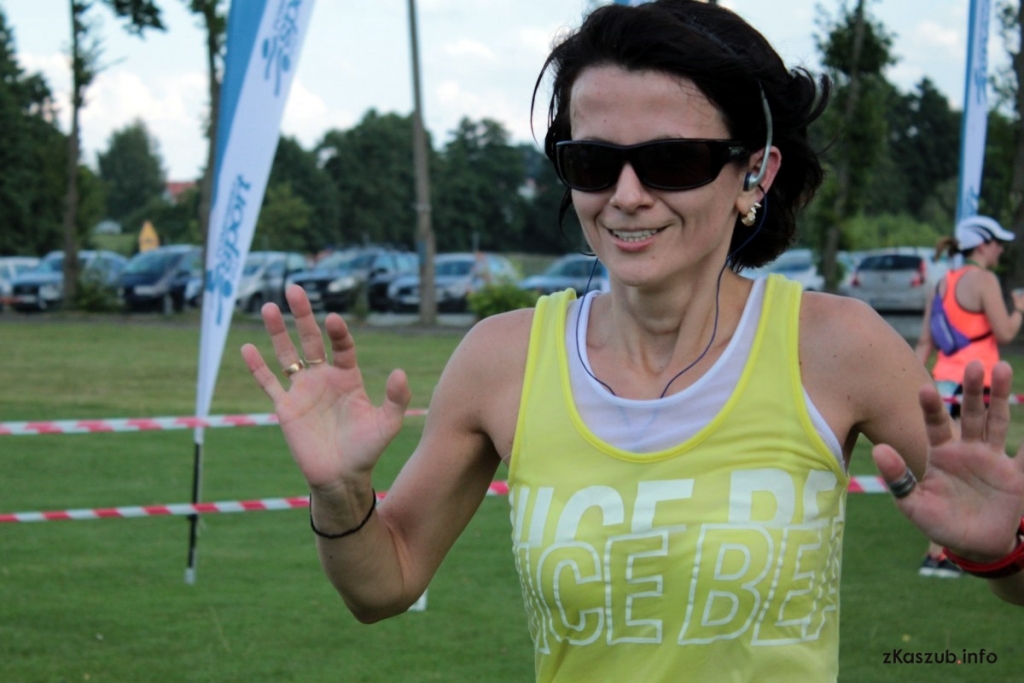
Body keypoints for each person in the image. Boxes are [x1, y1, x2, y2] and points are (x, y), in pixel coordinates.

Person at [241, 2, 1024, 681]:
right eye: (592, 161)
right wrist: (341, 491)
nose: (625, 195)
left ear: (755, 172)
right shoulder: (500, 360)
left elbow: (1006, 559)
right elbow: (384, 585)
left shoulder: (836, 346)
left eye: (670, 160)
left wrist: (1003, 548)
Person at [914, 215, 1024, 578]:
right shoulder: (985, 280)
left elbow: (925, 342)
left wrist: (910, 385)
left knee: (949, 469)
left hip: (945, 384)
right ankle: (948, 555)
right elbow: (1005, 332)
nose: (1001, 250)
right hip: (978, 386)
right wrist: (1020, 309)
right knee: (975, 471)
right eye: (998, 243)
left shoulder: (942, 283)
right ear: (982, 244)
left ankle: (937, 555)